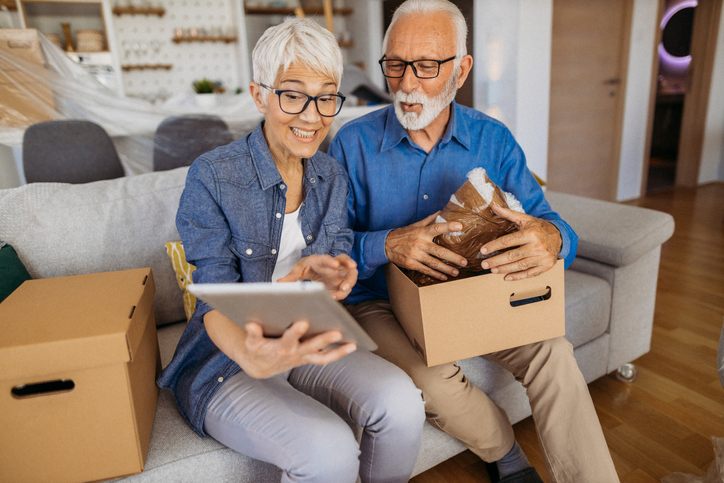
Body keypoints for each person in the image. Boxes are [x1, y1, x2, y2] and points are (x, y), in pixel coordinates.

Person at [328, 1, 620, 482]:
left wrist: (551, 237)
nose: (405, 83)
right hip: (379, 301)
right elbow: (328, 246)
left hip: (479, 292)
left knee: (554, 352)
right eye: (395, 65)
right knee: (429, 380)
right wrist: (387, 244)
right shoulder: (350, 143)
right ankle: (506, 454)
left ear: (461, 70)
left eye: (425, 66)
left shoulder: (495, 139)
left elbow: (548, 222)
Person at [157, 18, 426, 483]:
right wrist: (250, 351)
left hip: (307, 336)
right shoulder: (214, 175)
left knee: (404, 404)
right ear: (259, 95)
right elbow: (213, 297)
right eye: (292, 93)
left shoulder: (331, 174)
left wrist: (339, 274)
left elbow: (338, 251)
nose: (312, 115)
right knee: (329, 452)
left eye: (326, 95)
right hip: (228, 359)